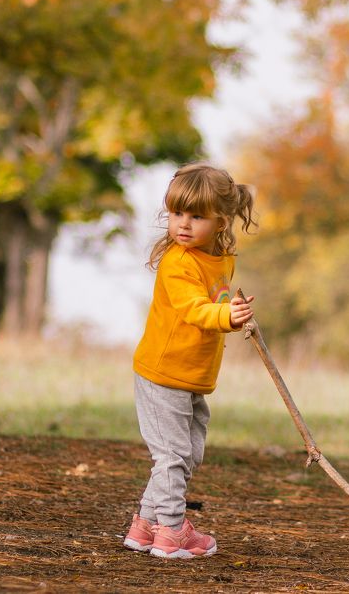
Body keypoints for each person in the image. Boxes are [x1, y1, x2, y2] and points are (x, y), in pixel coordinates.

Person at [123, 162, 257, 559]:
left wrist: (232, 312)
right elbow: (194, 309)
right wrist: (223, 315)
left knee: (187, 452)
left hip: (193, 375)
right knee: (172, 456)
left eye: (196, 215)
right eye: (177, 213)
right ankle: (173, 531)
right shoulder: (178, 262)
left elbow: (214, 304)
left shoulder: (220, 259)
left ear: (221, 220)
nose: (183, 224)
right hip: (163, 373)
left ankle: (146, 524)